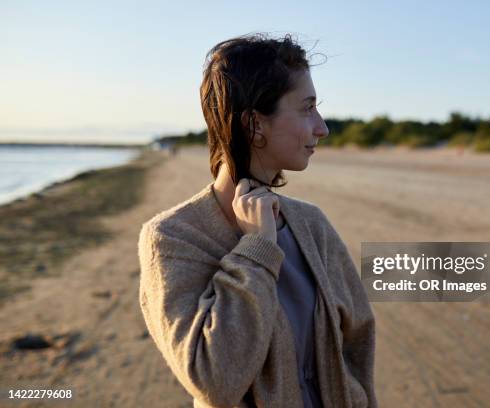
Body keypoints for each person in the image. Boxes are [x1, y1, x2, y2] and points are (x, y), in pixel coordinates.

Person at [137, 33, 377, 408]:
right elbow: (213, 381)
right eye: (306, 108)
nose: (322, 127)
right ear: (253, 125)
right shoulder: (173, 237)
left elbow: (358, 341)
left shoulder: (312, 225)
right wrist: (257, 250)